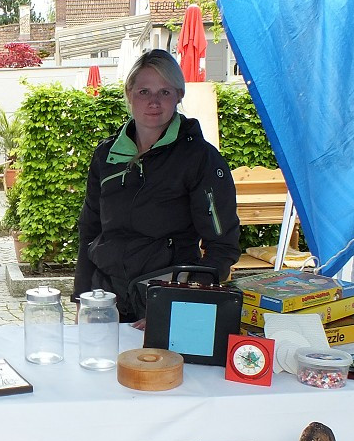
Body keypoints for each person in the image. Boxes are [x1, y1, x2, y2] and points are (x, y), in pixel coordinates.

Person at [73, 49, 239, 323]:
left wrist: (175, 306)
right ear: (129, 94)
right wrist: (82, 297)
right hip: (106, 300)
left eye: (165, 92)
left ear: (179, 96)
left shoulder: (200, 158)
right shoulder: (107, 155)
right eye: (144, 92)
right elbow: (90, 229)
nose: (154, 102)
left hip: (164, 298)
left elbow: (222, 246)